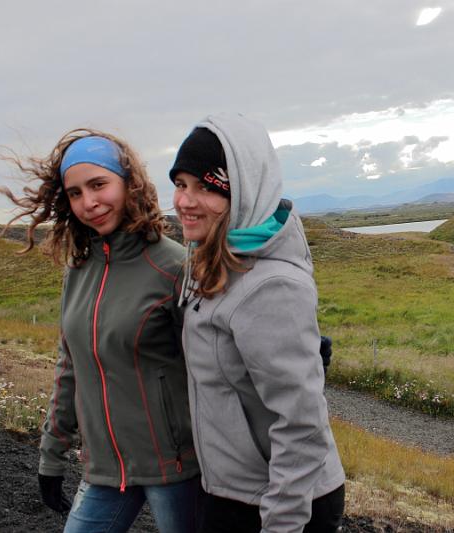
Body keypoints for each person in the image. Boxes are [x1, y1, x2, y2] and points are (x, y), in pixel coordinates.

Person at [0, 130, 201, 532]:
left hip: (176, 469)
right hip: (105, 470)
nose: (88, 203)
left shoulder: (174, 268)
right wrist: (51, 455)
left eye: (98, 184)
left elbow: (215, 364)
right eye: (74, 193)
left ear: (129, 183)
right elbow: (69, 366)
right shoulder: (78, 271)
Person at [170, 112, 346, 533]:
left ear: (244, 190)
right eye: (180, 184)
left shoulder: (270, 285)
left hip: (276, 502)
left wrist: (282, 524)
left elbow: (302, 425)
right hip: (232, 490)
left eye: (206, 188)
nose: (185, 201)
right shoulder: (212, 259)